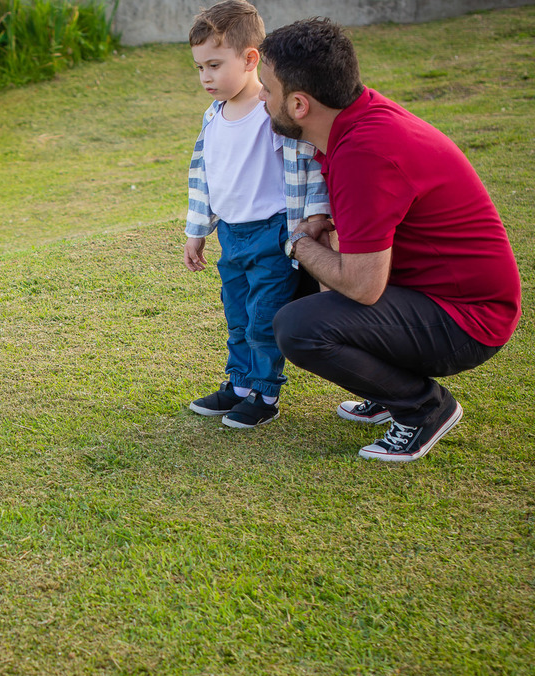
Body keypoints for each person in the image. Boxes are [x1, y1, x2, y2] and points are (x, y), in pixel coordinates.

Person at [259, 18, 521, 462]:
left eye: (266, 91)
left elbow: (362, 286)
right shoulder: (356, 121)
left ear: (299, 104)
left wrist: (299, 243)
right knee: (303, 288)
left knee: (298, 326)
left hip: (470, 319)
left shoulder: (366, 152)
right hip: (429, 294)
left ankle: (423, 409)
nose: (261, 100)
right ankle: (386, 387)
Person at [183, 1, 330, 429]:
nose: (206, 77)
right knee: (237, 313)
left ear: (251, 59)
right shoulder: (212, 117)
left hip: (272, 235)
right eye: (199, 68)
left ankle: (264, 394)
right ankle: (239, 383)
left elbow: (308, 167)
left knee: (265, 317)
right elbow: (204, 178)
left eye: (214, 64)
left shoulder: (271, 115)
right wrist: (198, 232)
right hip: (231, 234)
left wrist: (314, 219)